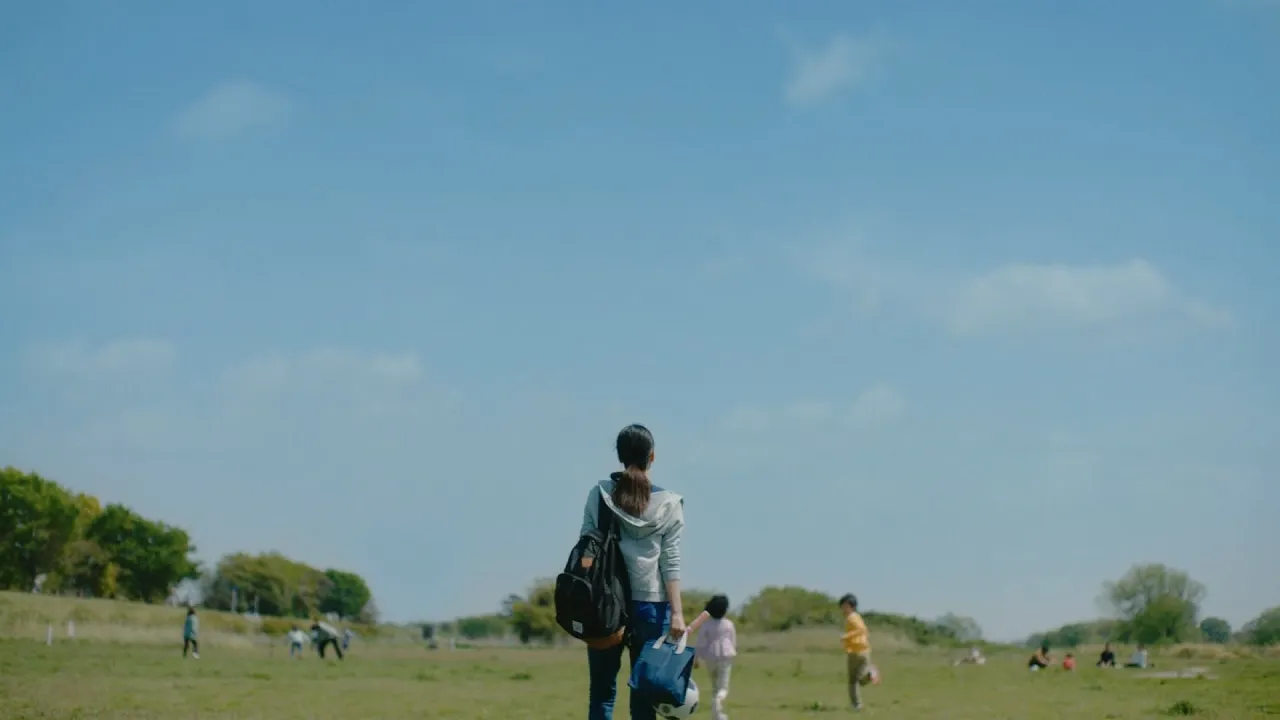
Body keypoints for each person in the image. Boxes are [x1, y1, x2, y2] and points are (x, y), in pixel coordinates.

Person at [583, 424, 686, 720]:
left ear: (619, 456)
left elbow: (586, 550)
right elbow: (670, 560)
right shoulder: (669, 503)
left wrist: (586, 593)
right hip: (651, 607)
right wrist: (677, 613)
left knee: (602, 693)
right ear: (652, 456)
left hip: (605, 605)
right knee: (643, 700)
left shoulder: (600, 494)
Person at [690, 594, 737, 720]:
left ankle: (717, 715)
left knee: (715, 686)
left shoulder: (706, 625)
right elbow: (733, 641)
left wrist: (696, 658)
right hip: (725, 657)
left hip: (710, 656)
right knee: (723, 688)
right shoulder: (729, 624)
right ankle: (718, 705)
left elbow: (700, 642)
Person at [840, 594, 878, 712]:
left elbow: (861, 630)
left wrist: (846, 636)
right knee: (860, 680)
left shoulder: (851, 618)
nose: (842, 608)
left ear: (850, 606)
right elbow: (864, 630)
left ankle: (857, 705)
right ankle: (870, 674)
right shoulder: (857, 617)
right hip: (864, 651)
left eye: (844, 606)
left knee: (853, 681)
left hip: (856, 652)